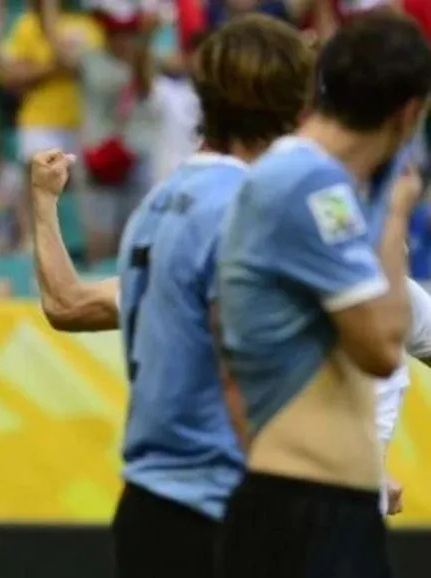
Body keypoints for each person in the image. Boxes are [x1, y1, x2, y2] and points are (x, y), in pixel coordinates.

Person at [32, 14, 314, 578]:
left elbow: (69, 305)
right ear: (286, 107)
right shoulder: (247, 208)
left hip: (148, 506)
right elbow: (239, 364)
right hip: (223, 506)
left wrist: (41, 204)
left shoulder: (158, 207)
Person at [216, 12, 431, 578]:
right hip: (307, 509)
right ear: (408, 113)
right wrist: (396, 214)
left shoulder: (292, 179)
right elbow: (380, 348)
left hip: (300, 500)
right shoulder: (314, 188)